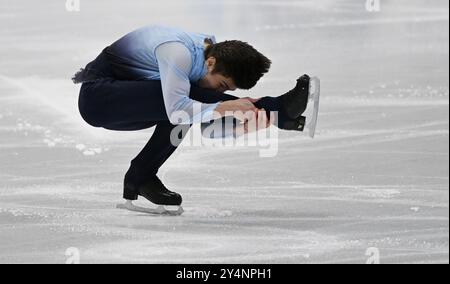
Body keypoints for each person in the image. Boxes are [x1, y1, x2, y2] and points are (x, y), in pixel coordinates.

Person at [73, 25, 312, 209]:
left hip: (128, 99)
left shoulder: (208, 57)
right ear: (211, 63)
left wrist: (250, 123)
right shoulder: (178, 53)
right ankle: (278, 110)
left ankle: (141, 177)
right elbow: (179, 109)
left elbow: (208, 128)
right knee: (185, 101)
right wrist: (229, 107)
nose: (221, 91)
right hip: (99, 100)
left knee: (191, 101)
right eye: (222, 85)